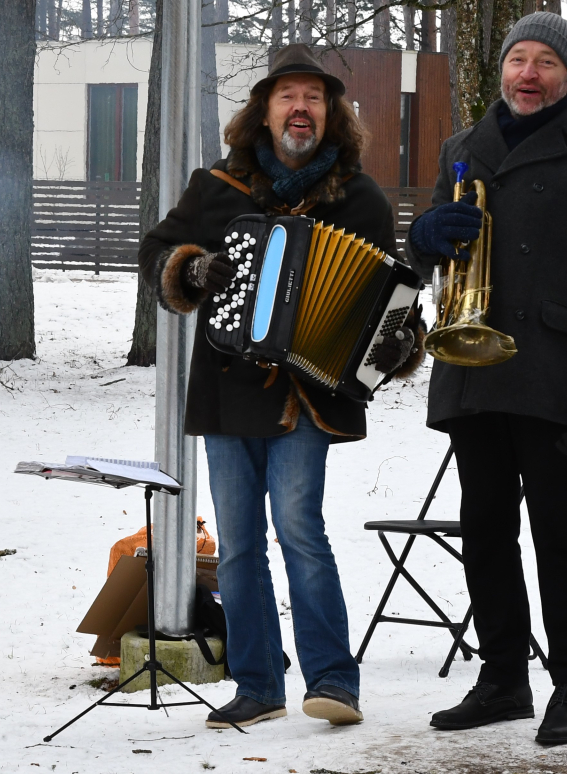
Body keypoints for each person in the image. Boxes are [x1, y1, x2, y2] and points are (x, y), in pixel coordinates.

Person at [139, 44, 425, 730]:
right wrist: (193, 269)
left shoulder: (358, 198)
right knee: (239, 543)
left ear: (331, 115)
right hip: (226, 388)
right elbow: (157, 253)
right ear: (263, 112)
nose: (302, 109)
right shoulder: (218, 187)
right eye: (288, 97)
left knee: (299, 530)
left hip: (307, 395)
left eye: (315, 98)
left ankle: (333, 681)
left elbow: (391, 300)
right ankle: (258, 683)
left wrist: (399, 341)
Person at [404, 12, 567, 745]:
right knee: (484, 530)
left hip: (553, 366)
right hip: (471, 368)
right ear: (503, 71)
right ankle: (502, 678)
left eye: (546, 61)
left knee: (556, 531)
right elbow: (430, 254)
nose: (528, 73)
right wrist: (424, 236)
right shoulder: (461, 146)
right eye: (518, 58)